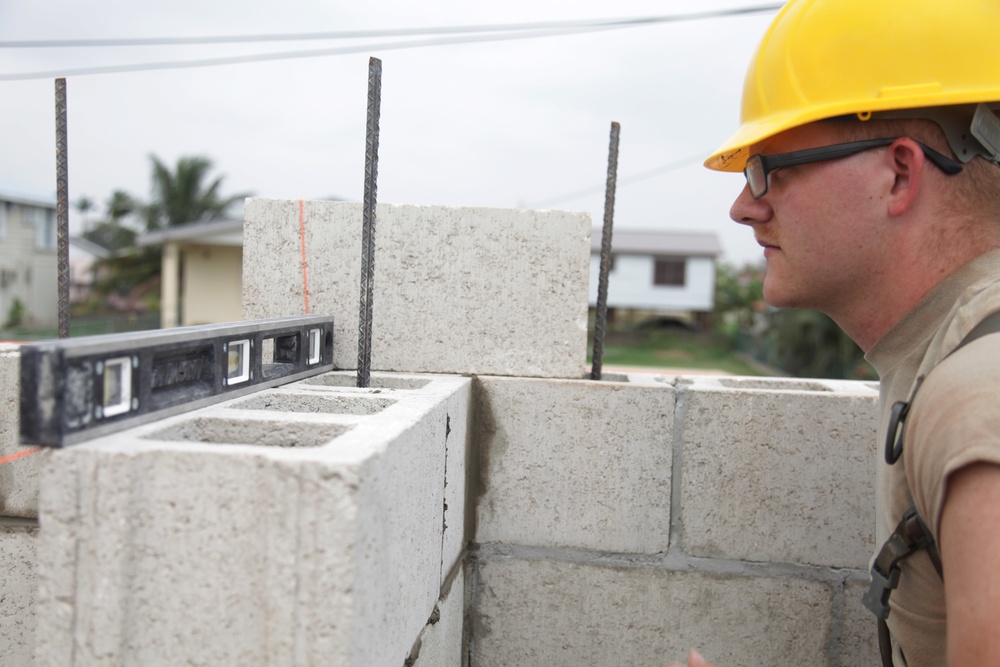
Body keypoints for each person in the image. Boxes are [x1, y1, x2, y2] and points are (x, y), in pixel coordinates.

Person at [672, 0, 1000, 665]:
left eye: (769, 167)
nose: (744, 206)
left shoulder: (976, 398)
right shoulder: (947, 359)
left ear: (900, 173)